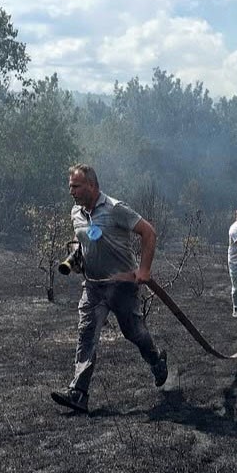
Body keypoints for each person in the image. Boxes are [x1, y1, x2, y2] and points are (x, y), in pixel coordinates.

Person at [50, 164, 168, 414]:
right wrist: (77, 257)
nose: (71, 191)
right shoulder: (76, 213)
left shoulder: (115, 208)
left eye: (76, 186)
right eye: (70, 186)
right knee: (86, 334)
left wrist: (144, 270)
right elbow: (83, 242)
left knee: (134, 333)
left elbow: (148, 232)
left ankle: (156, 361)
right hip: (93, 287)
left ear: (92, 186)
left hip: (123, 286)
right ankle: (79, 393)